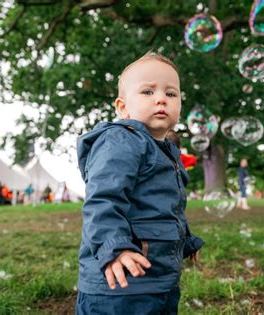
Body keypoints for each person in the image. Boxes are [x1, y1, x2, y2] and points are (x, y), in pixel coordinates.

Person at [75, 51, 204, 314]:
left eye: (171, 94)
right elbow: (103, 200)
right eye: (148, 92)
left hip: (158, 279)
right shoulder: (121, 141)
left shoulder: (166, 150)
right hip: (120, 287)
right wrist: (115, 249)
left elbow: (168, 206)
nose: (161, 99)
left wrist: (187, 241)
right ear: (123, 107)